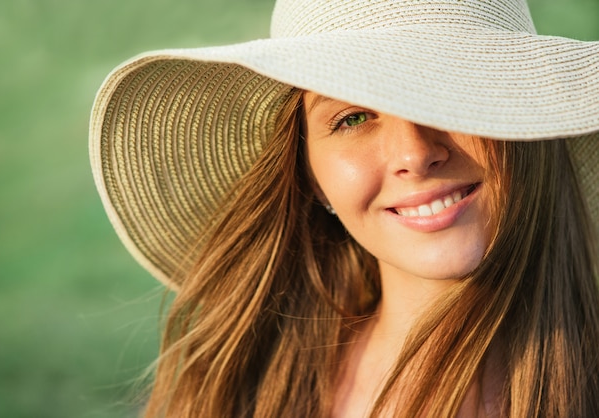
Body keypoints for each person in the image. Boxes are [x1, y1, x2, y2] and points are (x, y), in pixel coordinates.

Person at [89, 0, 599, 416]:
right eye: (354, 118)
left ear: (533, 120)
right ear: (310, 175)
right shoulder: (238, 390)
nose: (415, 155)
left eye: (453, 93)